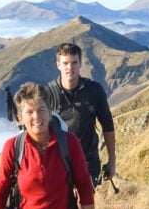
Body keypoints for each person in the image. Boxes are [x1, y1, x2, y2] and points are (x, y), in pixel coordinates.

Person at [45, 42, 116, 187]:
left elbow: (107, 125)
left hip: (88, 163)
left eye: (74, 63)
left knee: (84, 208)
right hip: (56, 164)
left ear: (80, 63)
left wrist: (112, 160)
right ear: (58, 65)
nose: (69, 68)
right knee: (62, 208)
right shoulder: (47, 94)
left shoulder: (94, 91)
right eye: (65, 63)